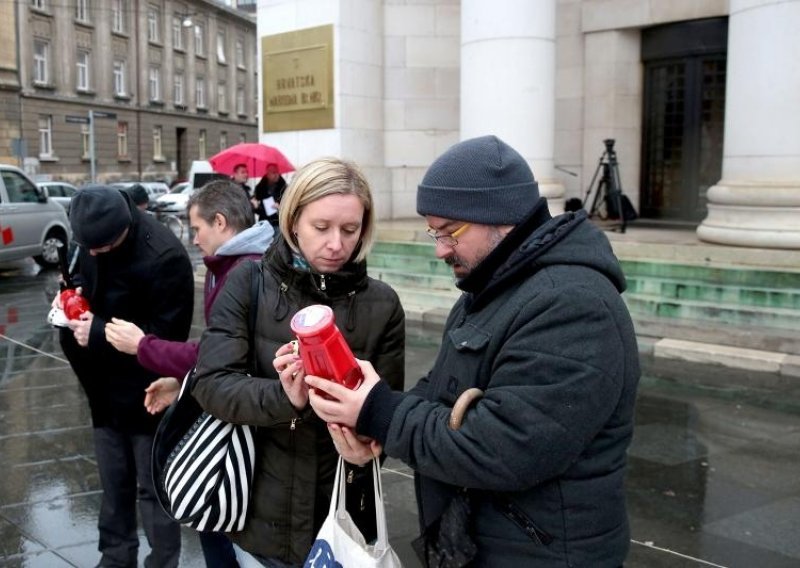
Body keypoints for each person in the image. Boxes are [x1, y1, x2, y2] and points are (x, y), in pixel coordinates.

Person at [306, 136, 641, 567]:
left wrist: (382, 413)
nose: (440, 249)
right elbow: (444, 389)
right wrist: (374, 427)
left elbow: (503, 448)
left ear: (502, 218)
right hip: (489, 542)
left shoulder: (572, 304)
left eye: (449, 232)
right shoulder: (495, 286)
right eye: (434, 231)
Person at [192, 157, 406, 566]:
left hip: (340, 513)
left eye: (350, 230)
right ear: (293, 222)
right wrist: (284, 396)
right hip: (260, 514)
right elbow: (212, 383)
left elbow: (389, 408)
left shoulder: (383, 303)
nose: (336, 244)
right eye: (321, 227)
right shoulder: (248, 283)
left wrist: (372, 442)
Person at [105, 180, 275, 567]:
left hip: (242, 422)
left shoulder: (245, 270)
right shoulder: (229, 264)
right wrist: (181, 382)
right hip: (232, 407)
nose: (194, 239)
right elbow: (223, 350)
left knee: (219, 524)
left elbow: (216, 352)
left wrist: (142, 346)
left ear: (220, 222)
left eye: (197, 228)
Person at [57, 186, 194, 567]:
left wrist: (97, 331)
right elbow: (82, 278)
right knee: (113, 484)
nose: (93, 253)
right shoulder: (90, 236)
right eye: (88, 247)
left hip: (146, 390)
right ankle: (115, 557)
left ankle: (162, 561)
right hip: (101, 387)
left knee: (153, 489)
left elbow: (167, 340)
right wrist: (68, 298)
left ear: (122, 230)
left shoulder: (164, 255)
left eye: (101, 248)